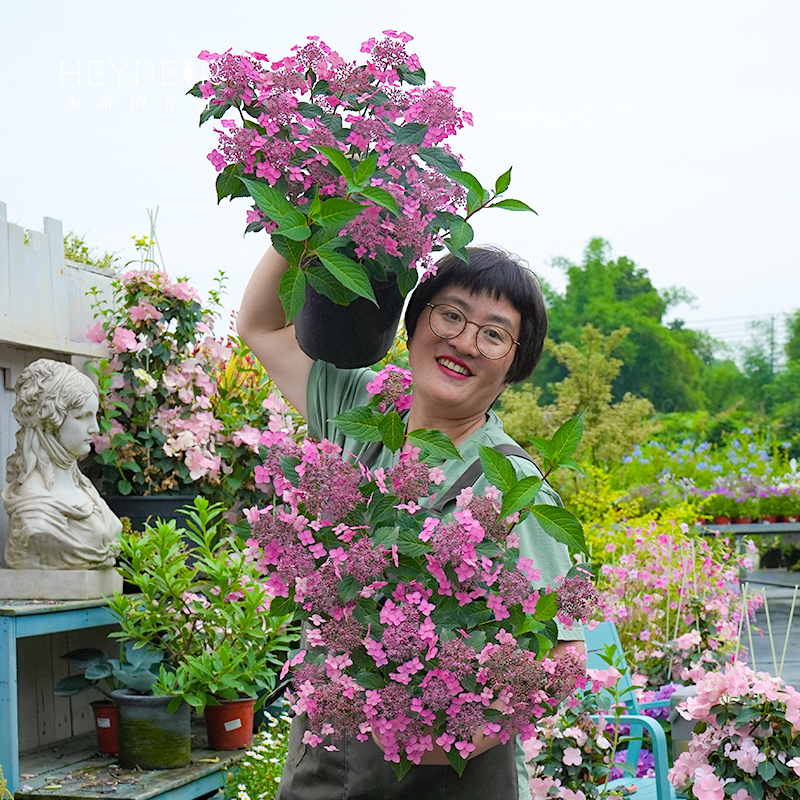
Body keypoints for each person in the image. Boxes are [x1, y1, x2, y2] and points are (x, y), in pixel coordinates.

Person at [238, 245, 586, 800]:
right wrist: (303, 219)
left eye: (495, 334)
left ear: (515, 365)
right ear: (415, 320)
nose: (464, 342)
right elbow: (259, 325)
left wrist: (439, 742)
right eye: (450, 314)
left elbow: (562, 657)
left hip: (450, 778)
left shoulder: (514, 488)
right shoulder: (363, 413)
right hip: (324, 765)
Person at [2, 359, 122, 570]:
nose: (95, 428)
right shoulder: (35, 510)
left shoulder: (84, 487)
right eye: (83, 417)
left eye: (94, 416)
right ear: (50, 421)